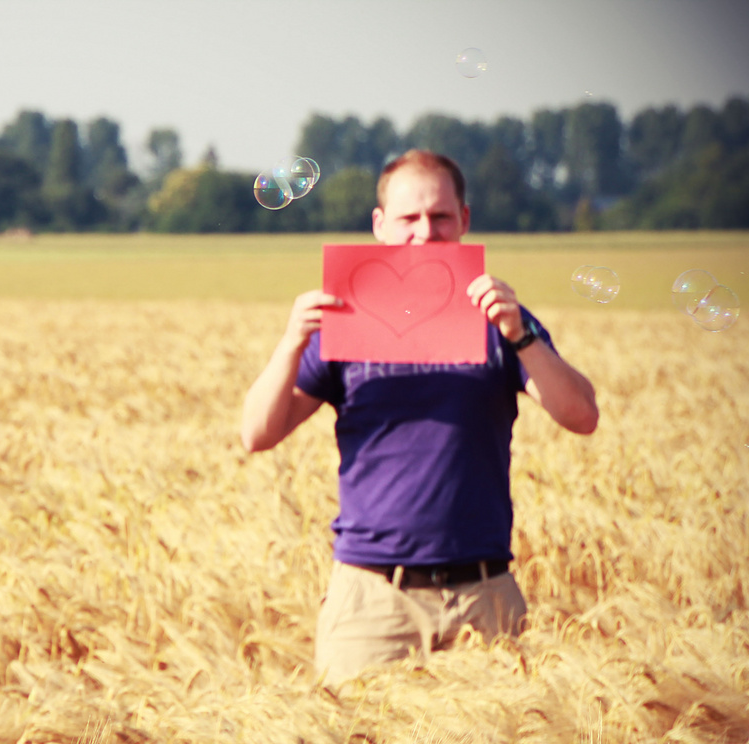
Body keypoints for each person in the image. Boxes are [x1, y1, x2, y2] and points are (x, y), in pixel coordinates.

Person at [240, 150, 598, 685]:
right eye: (408, 218)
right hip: (371, 601)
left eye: (440, 217)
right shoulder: (344, 324)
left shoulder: (499, 322)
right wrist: (292, 341)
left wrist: (520, 334)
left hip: (485, 598)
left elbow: (582, 415)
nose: (424, 232)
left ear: (465, 222)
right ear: (381, 226)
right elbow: (256, 433)